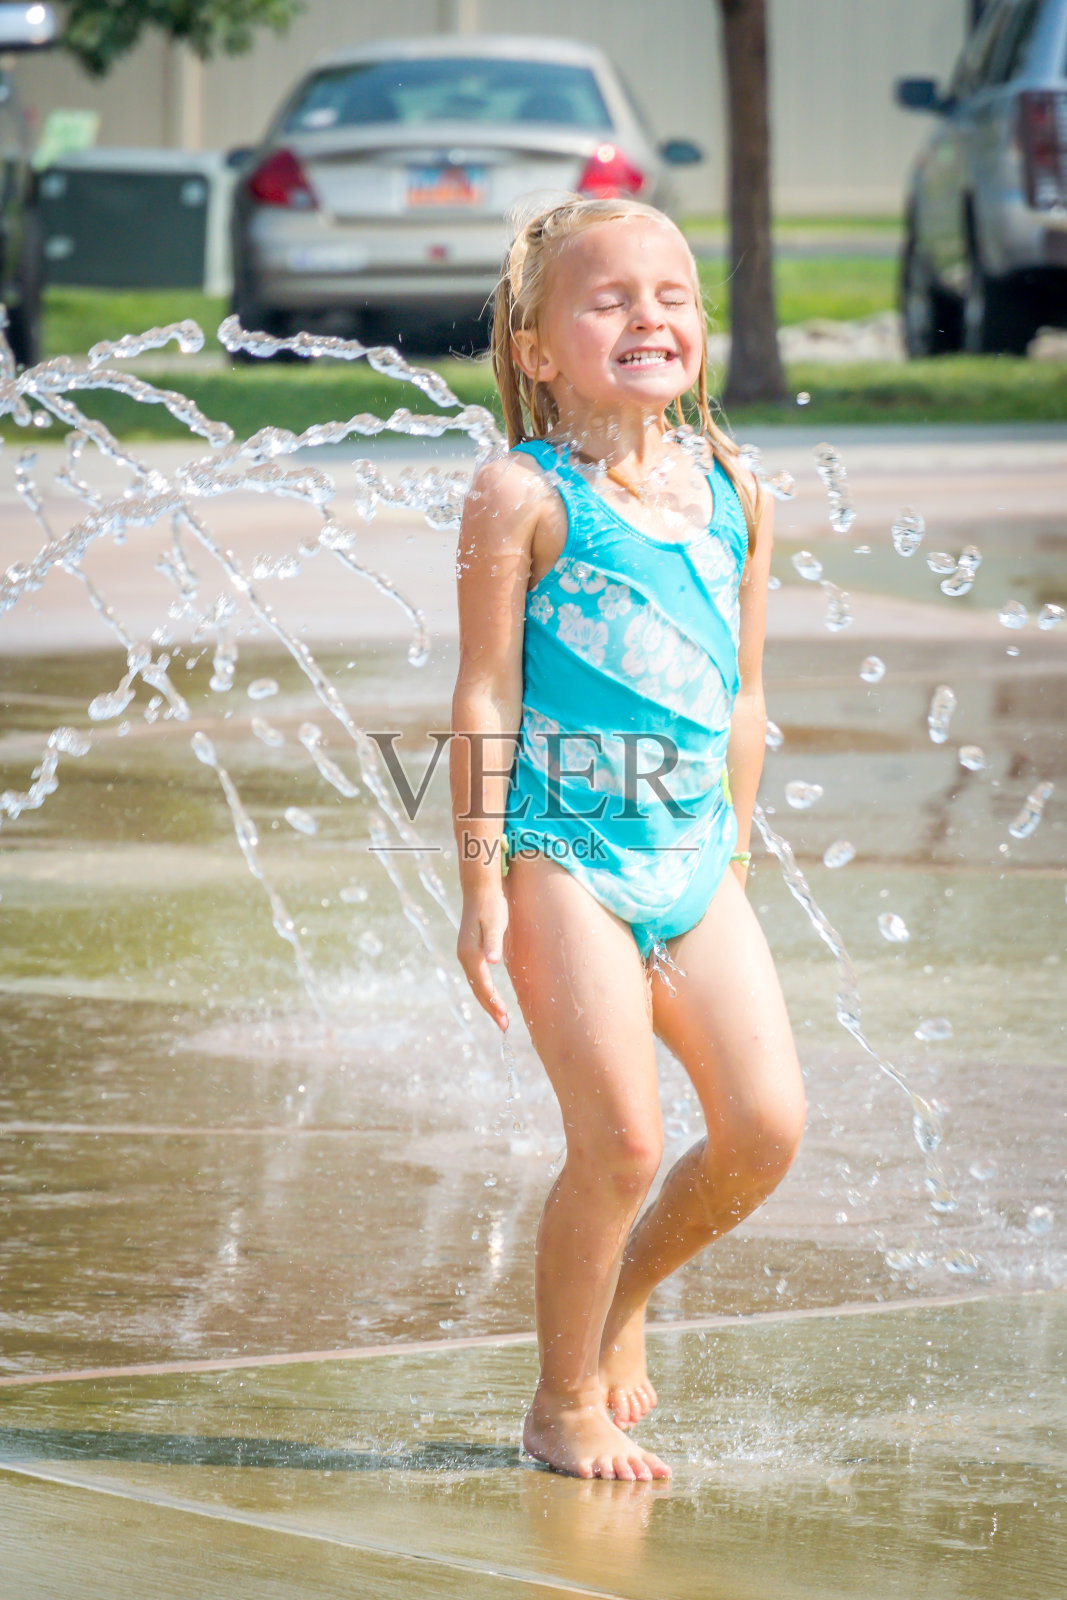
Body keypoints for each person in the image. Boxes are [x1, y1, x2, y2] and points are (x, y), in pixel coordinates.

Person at [449, 195, 805, 1482]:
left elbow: (745, 687)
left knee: (763, 1127)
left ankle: (626, 1294)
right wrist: (481, 874)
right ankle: (558, 1401)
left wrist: (737, 846)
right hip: (560, 853)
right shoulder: (520, 494)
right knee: (623, 1141)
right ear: (538, 349)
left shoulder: (735, 491)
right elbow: (484, 693)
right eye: (608, 299)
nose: (648, 316)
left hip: (692, 853)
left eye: (672, 295)